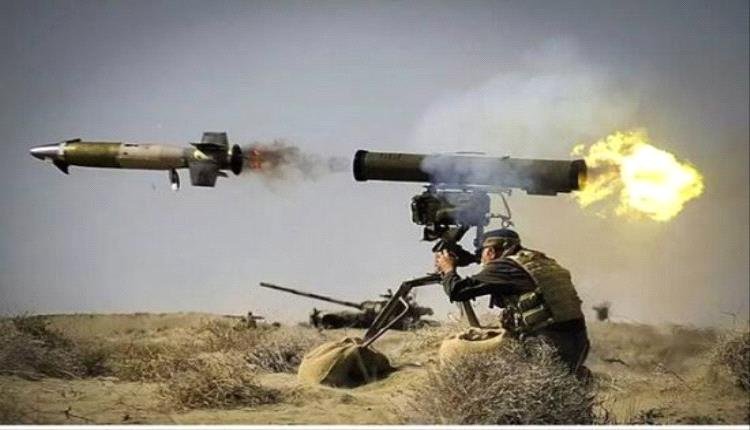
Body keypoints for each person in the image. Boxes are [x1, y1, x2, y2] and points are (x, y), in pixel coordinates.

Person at [434, 228, 590, 375]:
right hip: (577, 348)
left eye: (481, 253)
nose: (481, 259)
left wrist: (448, 269)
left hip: (546, 351)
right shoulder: (538, 262)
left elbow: (457, 291)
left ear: (490, 251)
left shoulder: (504, 267)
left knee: (452, 348)